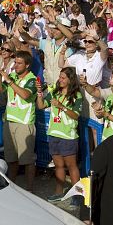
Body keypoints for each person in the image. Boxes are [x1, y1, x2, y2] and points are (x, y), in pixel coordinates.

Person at [37, 68, 83, 201]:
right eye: (60, 77)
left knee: (71, 166)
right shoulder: (55, 93)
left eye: (63, 78)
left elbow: (75, 115)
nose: (60, 80)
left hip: (68, 136)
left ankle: (77, 196)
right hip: (54, 133)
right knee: (58, 166)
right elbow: (40, 106)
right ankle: (58, 192)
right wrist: (40, 93)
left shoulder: (77, 96)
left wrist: (61, 106)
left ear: (70, 80)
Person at [0, 51, 37, 191]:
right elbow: (0, 90)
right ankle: (12, 186)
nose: (16, 66)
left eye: (19, 63)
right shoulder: (12, 76)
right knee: (11, 158)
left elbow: (25, 95)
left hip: (24, 124)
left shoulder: (32, 79)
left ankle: (30, 188)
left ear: (28, 65)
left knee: (27, 160)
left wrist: (9, 81)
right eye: (15, 63)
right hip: (9, 121)